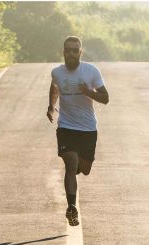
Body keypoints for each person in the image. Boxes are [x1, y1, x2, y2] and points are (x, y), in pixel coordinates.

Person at [46, 36, 109, 226]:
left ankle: (78, 168)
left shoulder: (91, 71)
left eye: (75, 50)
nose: (71, 54)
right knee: (71, 163)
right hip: (66, 127)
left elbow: (105, 98)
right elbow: (55, 87)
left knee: (85, 168)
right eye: (68, 50)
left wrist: (87, 92)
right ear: (63, 51)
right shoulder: (57, 72)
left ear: (80, 52)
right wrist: (51, 106)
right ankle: (72, 207)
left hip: (88, 128)